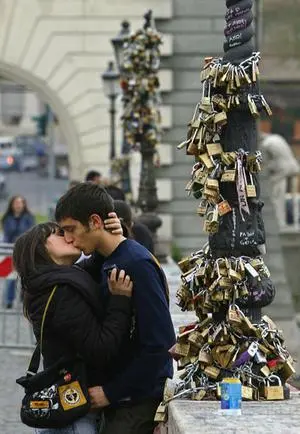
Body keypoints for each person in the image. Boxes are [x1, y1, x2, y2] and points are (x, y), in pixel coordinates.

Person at [55, 183, 176, 434]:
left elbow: (160, 344)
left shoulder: (136, 264)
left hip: (135, 403)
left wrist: (111, 392)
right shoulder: (109, 259)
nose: (68, 239)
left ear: (95, 221)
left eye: (71, 230)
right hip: (122, 400)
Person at [13, 220, 133, 434]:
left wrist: (108, 233)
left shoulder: (52, 283)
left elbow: (94, 263)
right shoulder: (61, 293)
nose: (69, 237)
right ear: (42, 248)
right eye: (60, 233)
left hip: (70, 414)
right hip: (75, 422)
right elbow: (100, 349)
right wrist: (120, 302)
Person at [260, 132, 300, 227]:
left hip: (282, 170)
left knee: (278, 197)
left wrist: (268, 168)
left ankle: (280, 222)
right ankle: (296, 221)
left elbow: (266, 161)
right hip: (294, 167)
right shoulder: (278, 137)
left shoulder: (265, 143)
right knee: (294, 198)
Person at [2, 196, 35, 308]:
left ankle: (24, 299)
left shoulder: (29, 217)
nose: (18, 205)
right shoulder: (7, 218)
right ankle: (9, 300)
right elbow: (8, 233)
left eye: (21, 202)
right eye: (16, 202)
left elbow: (28, 233)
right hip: (10, 251)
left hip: (24, 251)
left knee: (25, 276)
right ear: (12, 204)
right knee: (11, 277)